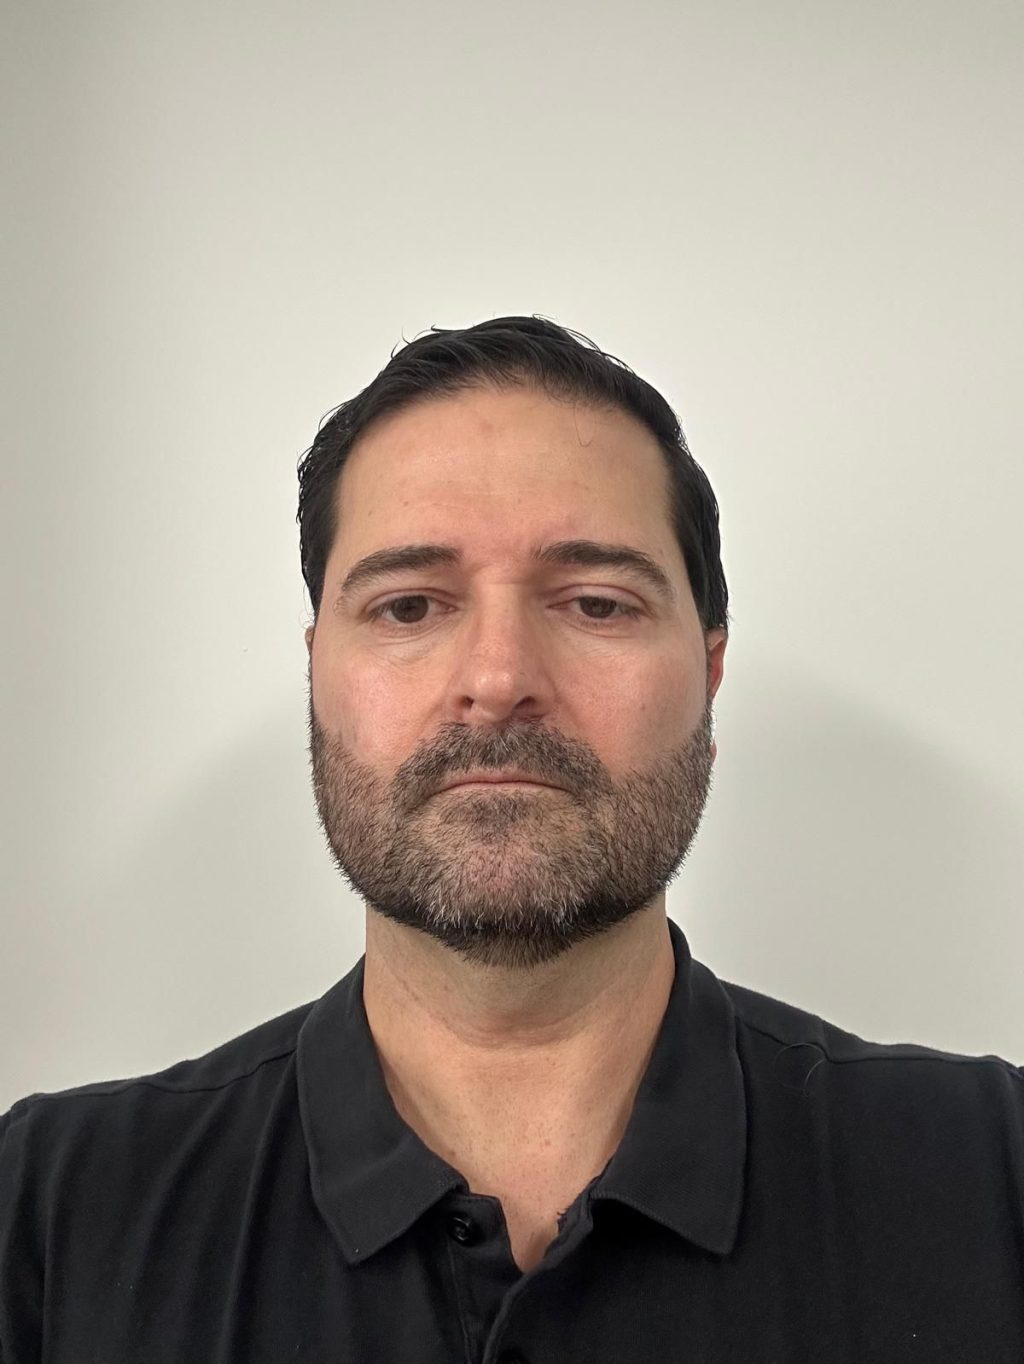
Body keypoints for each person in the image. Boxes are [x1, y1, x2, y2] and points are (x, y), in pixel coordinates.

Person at [1, 316, 1021, 1362]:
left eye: (596, 604)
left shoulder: (995, 1175)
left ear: (709, 676)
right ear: (318, 674)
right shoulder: (48, 1209)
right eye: (408, 606)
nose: (497, 679)